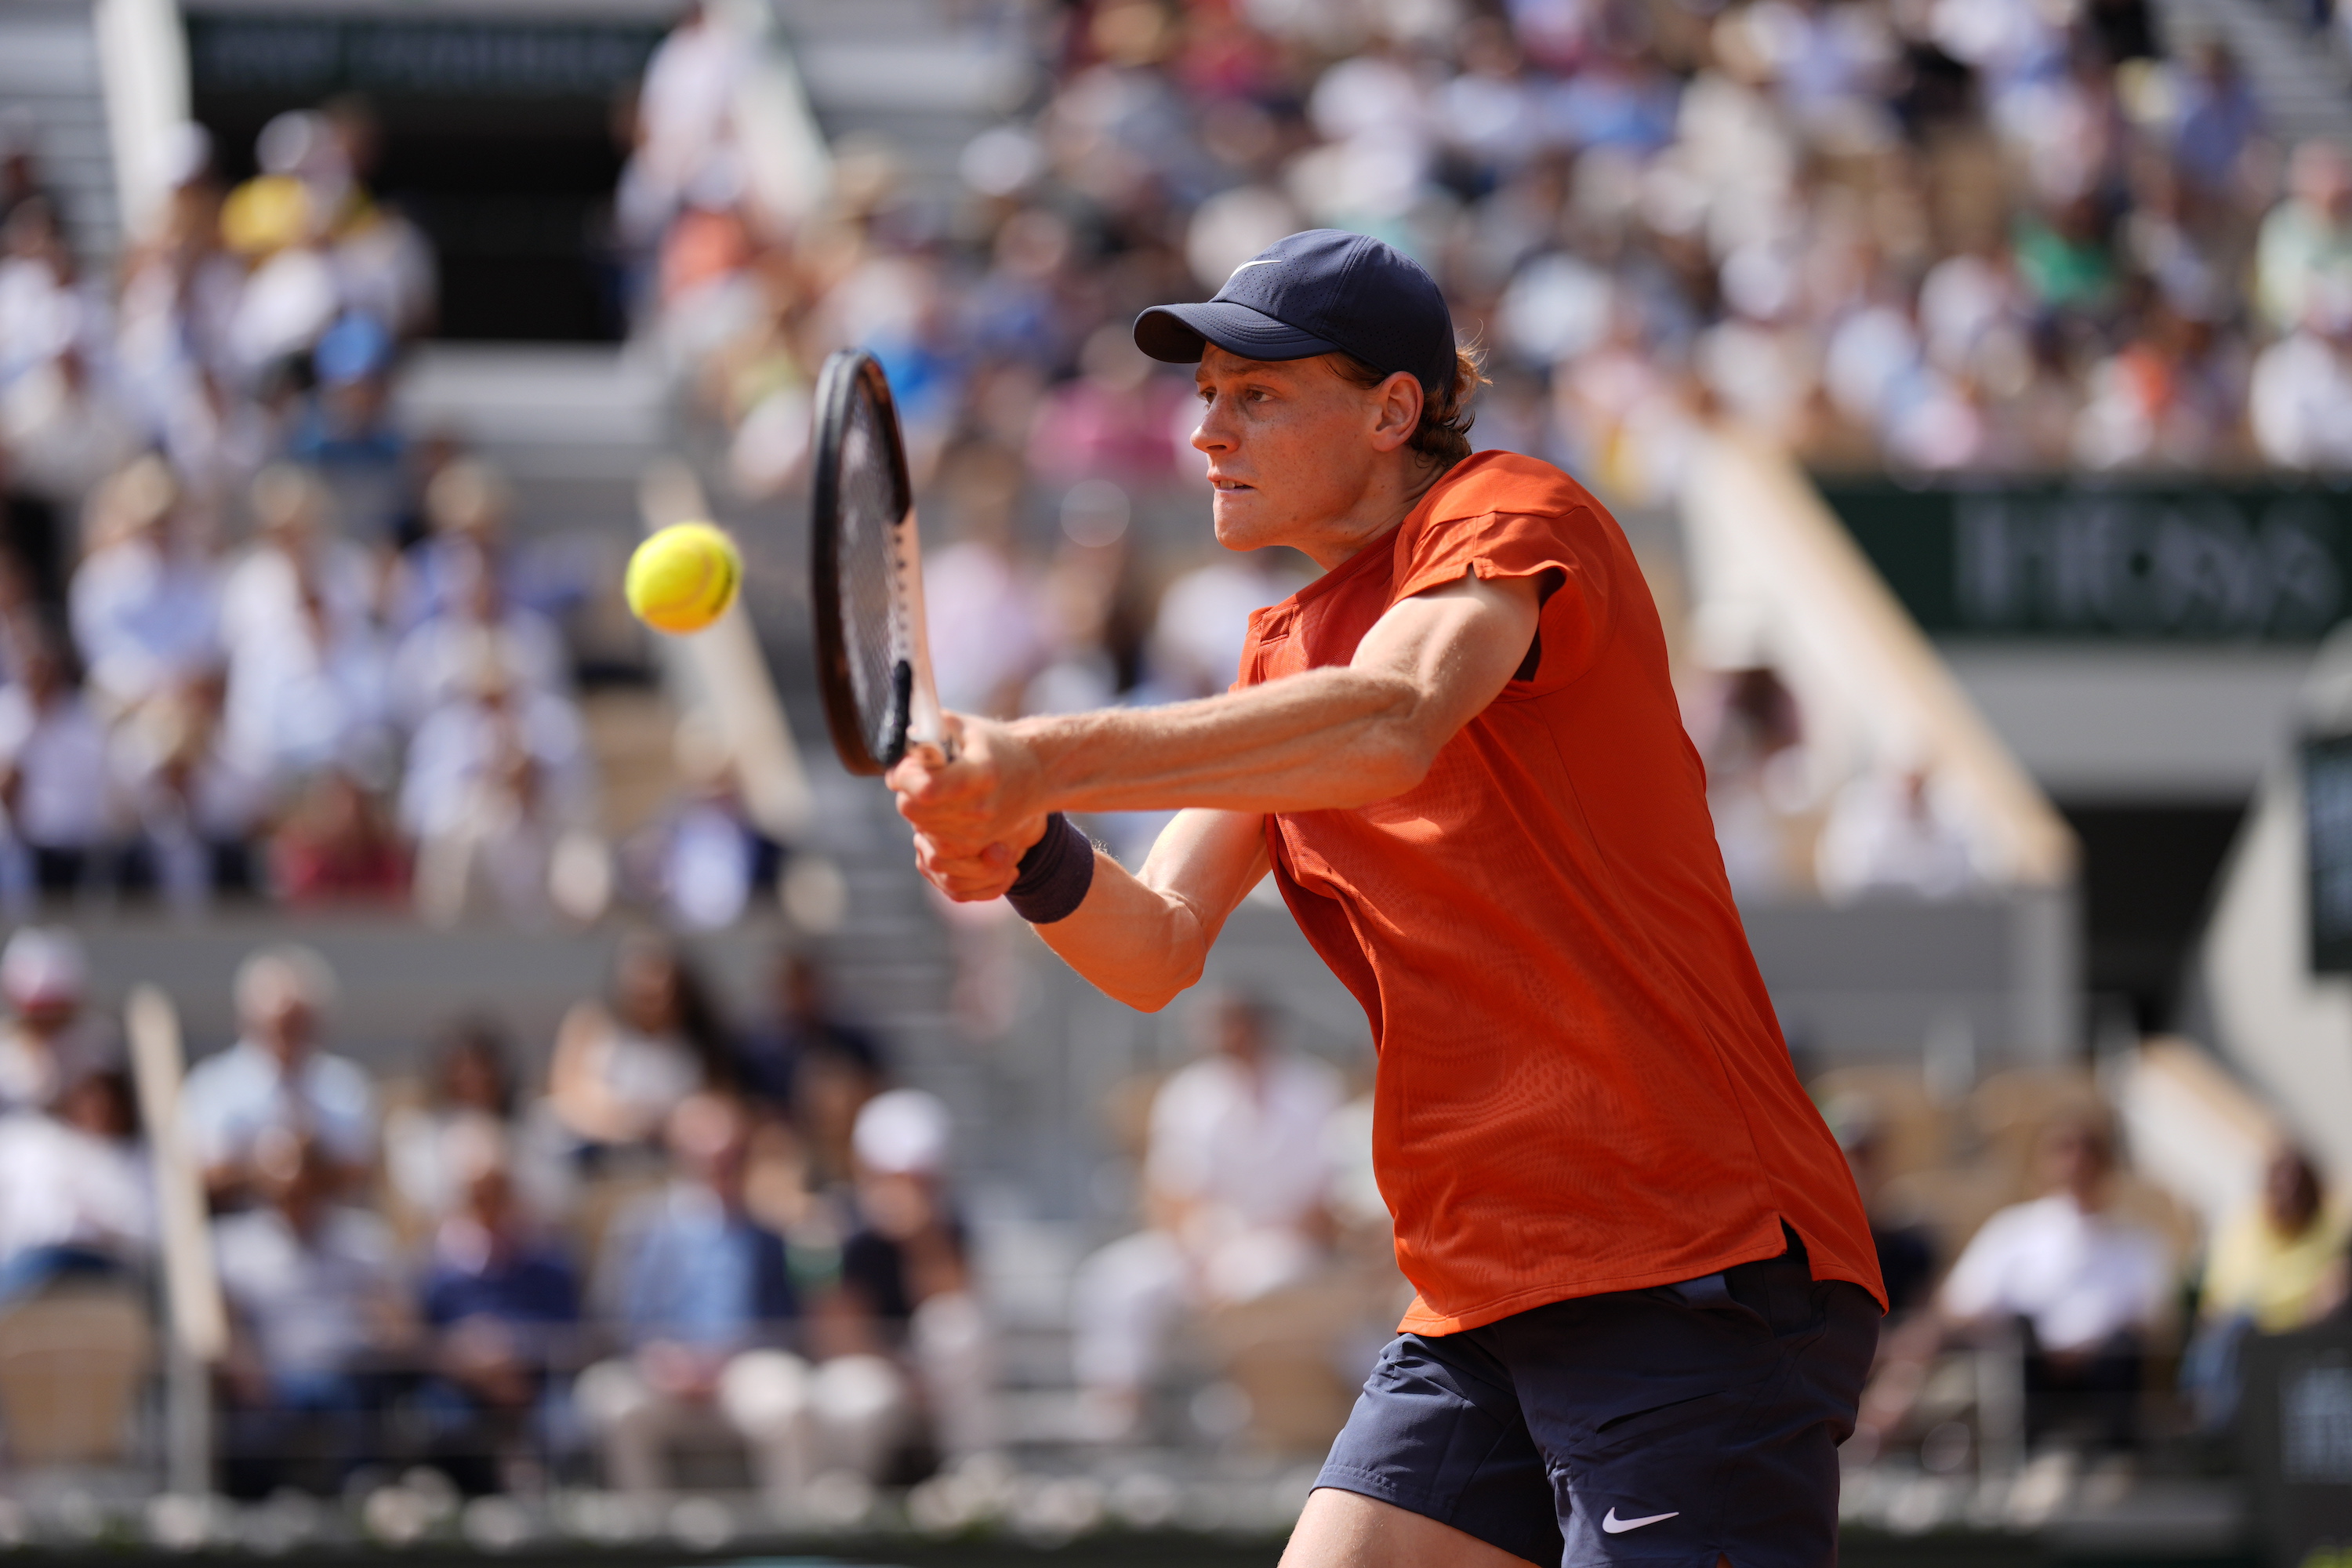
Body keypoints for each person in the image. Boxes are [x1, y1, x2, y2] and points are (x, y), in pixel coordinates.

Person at [889, 229, 1882, 1567]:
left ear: (1393, 409)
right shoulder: (1276, 654)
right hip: (1479, 1296)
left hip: (1691, 1268)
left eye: (1257, 397)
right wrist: (1022, 847)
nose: (1208, 438)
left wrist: (1040, 756)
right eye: (1205, 402)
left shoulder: (1512, 510)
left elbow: (1397, 720)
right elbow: (1157, 946)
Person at [575, 1093, 904, 1502]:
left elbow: (791, 1324)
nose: (720, 1168)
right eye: (708, 1157)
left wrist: (725, 1361)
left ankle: (795, 1539)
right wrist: (661, 1358)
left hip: (742, 1368)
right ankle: (649, 1536)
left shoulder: (774, 1236)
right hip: (663, 1371)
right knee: (609, 1401)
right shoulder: (644, 1228)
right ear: (683, 1158)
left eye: (731, 1157)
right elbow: (617, 1315)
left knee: (789, 1397)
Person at [1072, 992, 1342, 1436]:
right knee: (1115, 1282)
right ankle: (1116, 1418)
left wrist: (1244, 1255)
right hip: (1202, 1244)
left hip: (1285, 1246)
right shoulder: (1188, 1094)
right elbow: (1172, 1191)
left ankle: (1242, 1414)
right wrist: (1201, 1252)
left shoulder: (1314, 1089)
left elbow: (1322, 1198)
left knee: (1260, 1282)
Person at [1858, 1116, 2172, 1454]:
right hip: (2027, 1367)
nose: (2076, 1163)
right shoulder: (2012, 1232)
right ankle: (2025, 1453)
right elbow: (1961, 1305)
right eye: (2064, 1151)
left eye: (2087, 1152)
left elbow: (2148, 1318)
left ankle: (2117, 1458)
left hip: (2105, 1367)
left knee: (2123, 1350)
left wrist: (2081, 1349)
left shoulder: (2139, 1243)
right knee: (2018, 1339)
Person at [212, 1129, 412, 1497]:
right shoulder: (231, 1247)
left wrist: (383, 1326)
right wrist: (245, 1368)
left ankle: (358, 1496)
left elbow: (397, 1322)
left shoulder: (364, 1240)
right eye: (284, 1193)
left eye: (306, 1190)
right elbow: (228, 1329)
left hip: (352, 1375)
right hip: (273, 1381)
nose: (295, 1202)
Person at [180, 946, 377, 1203]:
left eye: (299, 1027)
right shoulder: (212, 1085)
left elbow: (360, 1169)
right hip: (241, 1227)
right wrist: (264, 1172)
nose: (288, 1040)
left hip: (329, 1229)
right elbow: (203, 1174)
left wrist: (308, 1162)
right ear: (247, 1022)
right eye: (278, 1028)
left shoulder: (346, 1085)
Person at [546, 931, 732, 1167]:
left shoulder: (700, 1040)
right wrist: (631, 1122)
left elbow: (717, 1106)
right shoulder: (590, 1024)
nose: (649, 989)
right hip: (596, 1158)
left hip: (678, 1163)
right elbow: (568, 1097)